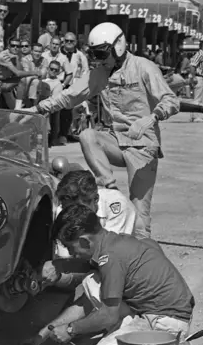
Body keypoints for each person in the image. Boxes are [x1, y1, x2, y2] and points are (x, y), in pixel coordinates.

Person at [25, 22, 180, 239]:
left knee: (139, 218)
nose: (99, 59)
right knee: (88, 135)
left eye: (101, 54)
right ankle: (111, 189)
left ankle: (141, 258)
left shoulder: (143, 67)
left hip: (143, 146)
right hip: (115, 140)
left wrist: (151, 118)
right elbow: (69, 95)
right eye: (95, 55)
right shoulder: (100, 73)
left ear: (118, 47)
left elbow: (171, 100)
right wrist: (37, 109)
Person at [35, 204, 201, 345]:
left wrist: (71, 330)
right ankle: (170, 343)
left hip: (166, 320)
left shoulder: (110, 258)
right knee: (93, 280)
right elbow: (85, 302)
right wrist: (43, 334)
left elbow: (108, 315)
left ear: (83, 241)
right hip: (154, 313)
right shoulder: (116, 242)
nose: (71, 254)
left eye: (70, 248)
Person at [0, 37, 41, 109]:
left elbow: (20, 73)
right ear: (8, 47)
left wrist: (16, 58)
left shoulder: (15, 55)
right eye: (13, 46)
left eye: (18, 46)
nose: (15, 48)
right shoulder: (4, 56)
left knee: (21, 80)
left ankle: (18, 108)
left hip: (2, 82)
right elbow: (18, 73)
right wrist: (34, 72)